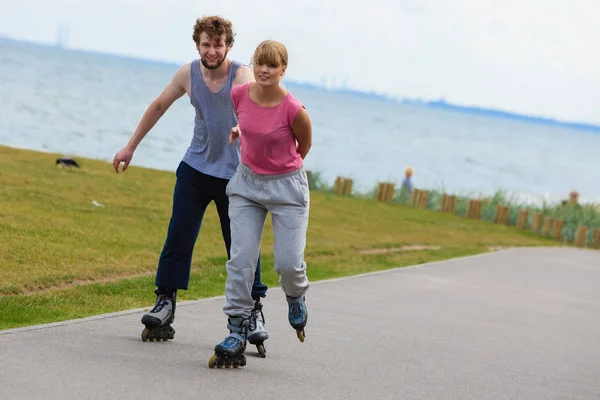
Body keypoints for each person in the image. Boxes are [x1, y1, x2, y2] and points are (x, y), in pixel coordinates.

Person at [112, 15, 269, 345]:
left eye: (218, 44)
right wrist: (130, 146)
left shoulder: (240, 75)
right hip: (195, 168)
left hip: (236, 177)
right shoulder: (188, 74)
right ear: (198, 44)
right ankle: (165, 302)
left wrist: (244, 128)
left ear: (229, 45)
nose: (212, 51)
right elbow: (158, 105)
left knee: (241, 247)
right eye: (206, 44)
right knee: (178, 236)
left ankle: (252, 309)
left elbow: (254, 109)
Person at [208, 39, 312, 369]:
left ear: (283, 70)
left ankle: (295, 295)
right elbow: (248, 121)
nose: (264, 70)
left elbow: (303, 146)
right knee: (240, 260)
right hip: (248, 185)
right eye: (259, 64)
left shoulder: (294, 109)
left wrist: (279, 171)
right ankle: (236, 329)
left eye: (271, 65)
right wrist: (242, 134)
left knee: (288, 264)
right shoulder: (239, 94)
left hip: (287, 188)